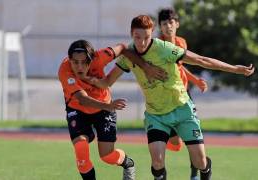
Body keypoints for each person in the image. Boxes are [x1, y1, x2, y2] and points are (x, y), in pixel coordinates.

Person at [84, 15, 255, 180]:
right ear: (131, 34)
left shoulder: (164, 48)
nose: (142, 42)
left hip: (182, 110)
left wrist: (235, 69)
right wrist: (87, 78)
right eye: (137, 37)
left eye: (147, 37)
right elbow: (107, 82)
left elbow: (201, 60)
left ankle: (204, 169)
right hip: (156, 115)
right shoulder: (127, 56)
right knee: (157, 163)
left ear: (152, 34)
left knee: (200, 162)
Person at [58, 39, 167, 180]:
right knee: (81, 149)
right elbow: (82, 99)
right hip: (78, 109)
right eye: (75, 62)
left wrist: (145, 66)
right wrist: (109, 106)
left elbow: (122, 47)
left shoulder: (100, 56)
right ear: (69, 60)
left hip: (103, 108)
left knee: (107, 156)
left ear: (92, 59)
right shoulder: (64, 71)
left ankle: (128, 163)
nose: (79, 67)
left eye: (84, 62)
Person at [158, 8, 208, 180]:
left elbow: (179, 66)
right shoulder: (157, 46)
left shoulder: (181, 42)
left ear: (177, 24)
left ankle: (195, 173)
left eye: (171, 22)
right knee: (174, 144)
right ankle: (175, 141)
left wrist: (195, 80)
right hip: (164, 99)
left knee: (191, 139)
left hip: (183, 95)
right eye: (164, 24)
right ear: (160, 27)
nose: (168, 26)